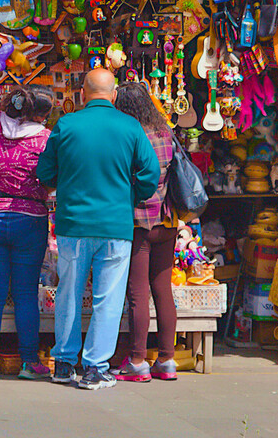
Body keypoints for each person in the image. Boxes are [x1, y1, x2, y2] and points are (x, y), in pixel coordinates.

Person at [36, 68, 159, 390]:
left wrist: (67, 184)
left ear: (82, 94)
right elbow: (150, 174)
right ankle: (94, 368)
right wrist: (129, 195)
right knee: (108, 298)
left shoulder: (67, 124)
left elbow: (45, 171)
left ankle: (63, 363)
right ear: (114, 94)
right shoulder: (130, 126)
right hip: (115, 225)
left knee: (69, 294)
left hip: (73, 224)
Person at [0, 87, 53, 381]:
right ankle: (30, 362)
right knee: (25, 294)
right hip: (30, 219)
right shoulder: (45, 138)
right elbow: (51, 178)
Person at [111, 82, 178, 382]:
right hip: (167, 220)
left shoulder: (128, 136)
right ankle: (167, 359)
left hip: (138, 221)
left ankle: (137, 360)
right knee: (163, 292)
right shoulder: (166, 132)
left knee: (137, 294)